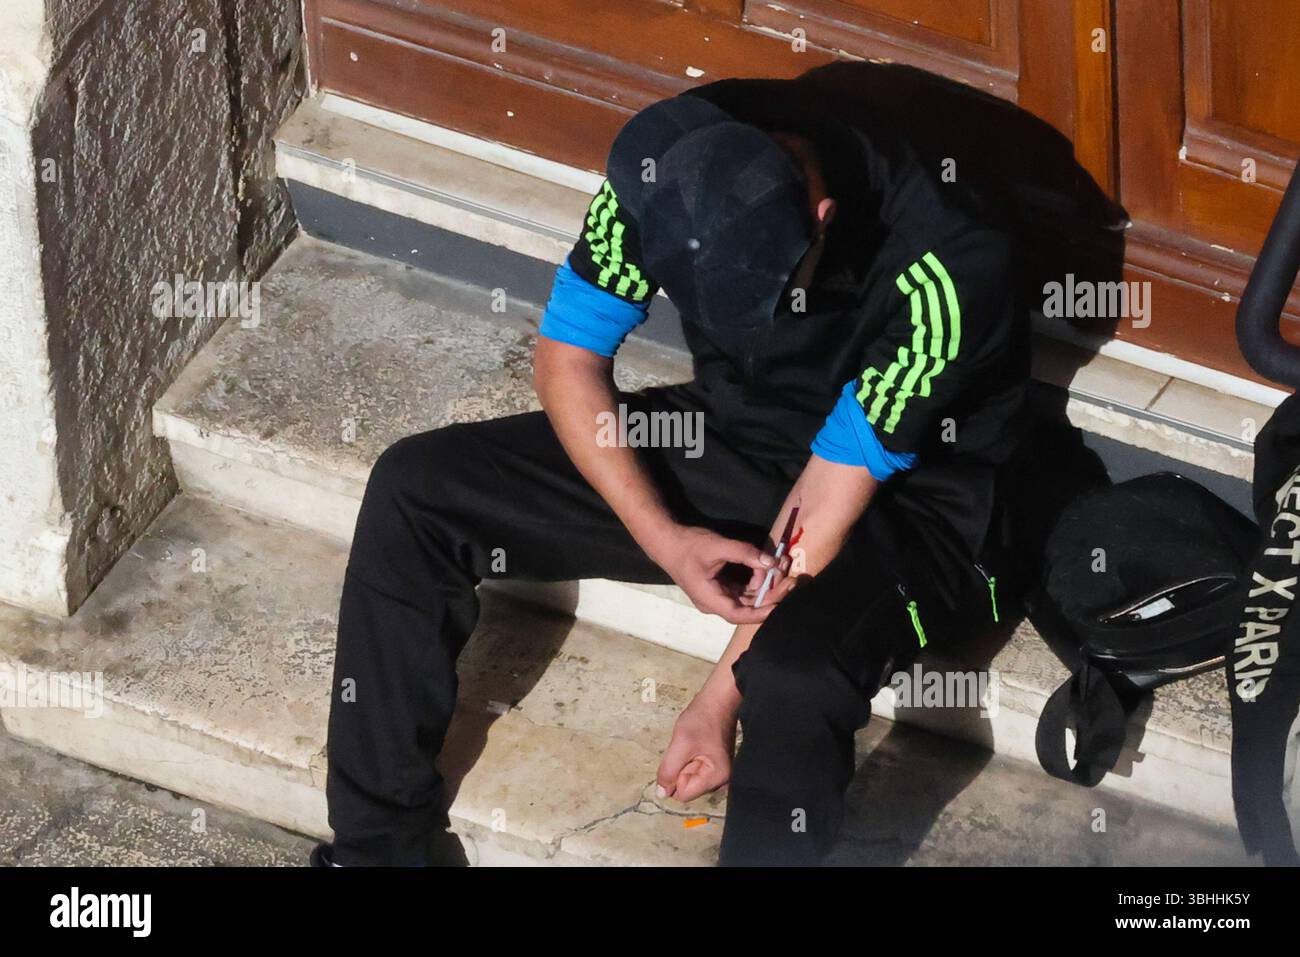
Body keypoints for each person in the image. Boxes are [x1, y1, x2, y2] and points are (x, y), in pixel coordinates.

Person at [313, 70, 1029, 867]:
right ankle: (379, 848)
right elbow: (568, 356)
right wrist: (662, 536)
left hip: (912, 491)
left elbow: (829, 496)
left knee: (791, 677)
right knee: (418, 488)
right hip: (740, 435)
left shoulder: (947, 265)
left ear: (820, 218)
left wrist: (719, 696)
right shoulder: (668, 164)